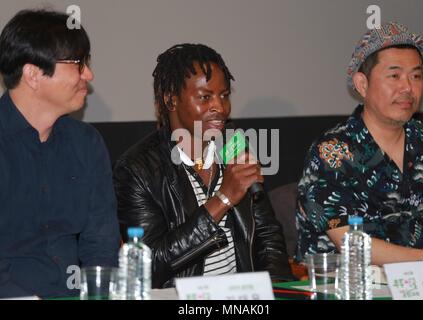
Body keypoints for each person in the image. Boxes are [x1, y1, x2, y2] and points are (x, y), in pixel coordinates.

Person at [114, 43, 293, 288]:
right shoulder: (137, 170)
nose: (220, 108)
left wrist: (275, 292)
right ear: (171, 100)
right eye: (205, 97)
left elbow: (268, 236)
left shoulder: (234, 145)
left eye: (224, 95)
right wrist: (223, 199)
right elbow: (149, 265)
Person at [295, 22, 423, 265]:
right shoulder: (332, 151)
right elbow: (348, 242)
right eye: (394, 75)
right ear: (362, 84)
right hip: (347, 284)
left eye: (416, 76)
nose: (408, 87)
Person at [0, 9, 120, 298]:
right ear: (33, 74)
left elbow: (101, 244)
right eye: (77, 64)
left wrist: (98, 293)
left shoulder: (86, 143)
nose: (88, 75)